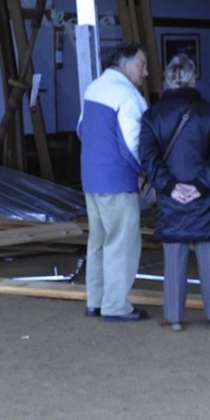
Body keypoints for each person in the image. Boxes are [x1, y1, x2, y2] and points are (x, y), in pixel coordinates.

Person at [139, 54, 210, 331]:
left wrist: (170, 186)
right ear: (194, 79)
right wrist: (200, 186)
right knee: (208, 256)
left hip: (171, 197)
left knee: (174, 257)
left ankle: (174, 317)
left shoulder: (153, 114)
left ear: (167, 79)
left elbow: (148, 156)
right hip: (206, 197)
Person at [77, 42, 150, 322]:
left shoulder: (94, 88)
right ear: (124, 64)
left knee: (98, 241)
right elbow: (132, 143)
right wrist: (145, 170)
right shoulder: (127, 95)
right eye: (141, 65)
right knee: (122, 243)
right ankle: (116, 306)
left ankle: (95, 301)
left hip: (91, 178)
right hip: (117, 181)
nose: (144, 72)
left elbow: (82, 129)